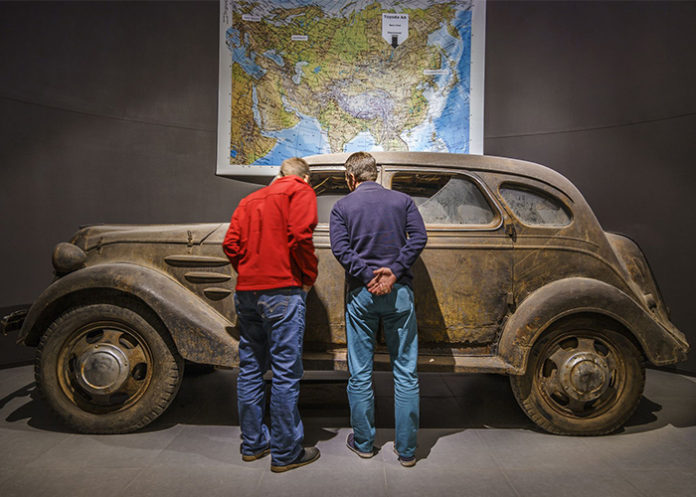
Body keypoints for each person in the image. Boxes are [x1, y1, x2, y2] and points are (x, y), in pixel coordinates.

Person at [329, 151, 427, 467]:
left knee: (360, 372)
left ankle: (364, 444)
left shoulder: (342, 207)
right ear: (377, 174)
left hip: (362, 294)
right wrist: (393, 271)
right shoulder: (403, 201)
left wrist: (368, 274)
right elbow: (419, 238)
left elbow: (340, 249)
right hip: (398, 293)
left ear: (350, 178)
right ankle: (408, 451)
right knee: (406, 372)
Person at [222, 157, 320, 473]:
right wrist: (308, 275)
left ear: (279, 174)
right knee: (285, 373)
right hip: (283, 291)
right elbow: (300, 236)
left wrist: (248, 271)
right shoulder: (300, 192)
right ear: (305, 178)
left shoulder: (249, 199)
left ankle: (252, 445)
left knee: (250, 369)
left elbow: (230, 244)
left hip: (247, 293)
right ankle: (286, 452)